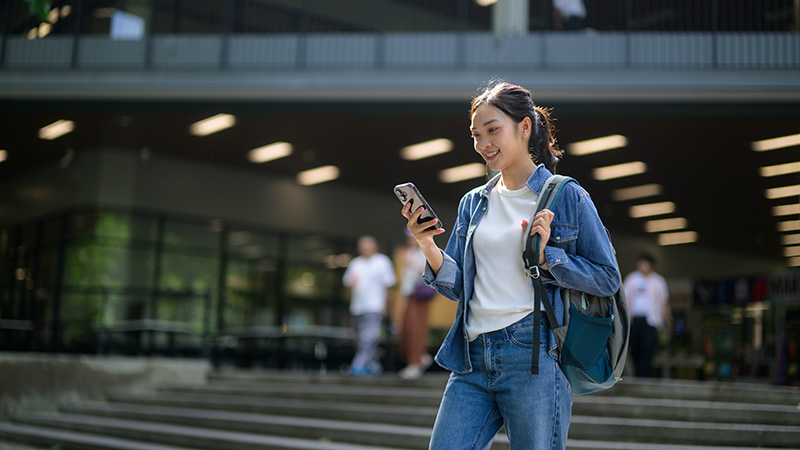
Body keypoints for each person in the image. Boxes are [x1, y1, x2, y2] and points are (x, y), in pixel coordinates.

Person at [401, 80, 620, 450]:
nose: (483, 143)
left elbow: (607, 278)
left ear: (524, 128)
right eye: (475, 135)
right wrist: (426, 243)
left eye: (492, 130)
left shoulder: (565, 195)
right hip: (472, 357)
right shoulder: (473, 202)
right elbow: (458, 286)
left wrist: (549, 257)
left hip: (532, 356)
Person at [342, 235, 396, 377]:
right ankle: (373, 366)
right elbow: (348, 283)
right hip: (357, 307)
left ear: (374, 246)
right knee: (360, 338)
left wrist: (387, 305)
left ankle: (357, 365)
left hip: (375, 306)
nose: (365, 248)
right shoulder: (355, 263)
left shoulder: (382, 262)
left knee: (368, 337)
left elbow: (389, 286)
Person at [624, 253, 672, 378]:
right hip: (635, 320)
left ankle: (645, 375)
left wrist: (668, 319)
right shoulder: (631, 279)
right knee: (635, 347)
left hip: (651, 320)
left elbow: (664, 302)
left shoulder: (658, 281)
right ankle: (637, 373)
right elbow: (624, 299)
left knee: (648, 347)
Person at [396, 231, 435, 380]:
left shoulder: (425, 252)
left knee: (416, 329)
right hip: (409, 296)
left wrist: (411, 262)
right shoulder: (409, 253)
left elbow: (429, 271)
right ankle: (419, 358)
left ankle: (415, 362)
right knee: (405, 330)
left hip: (420, 296)